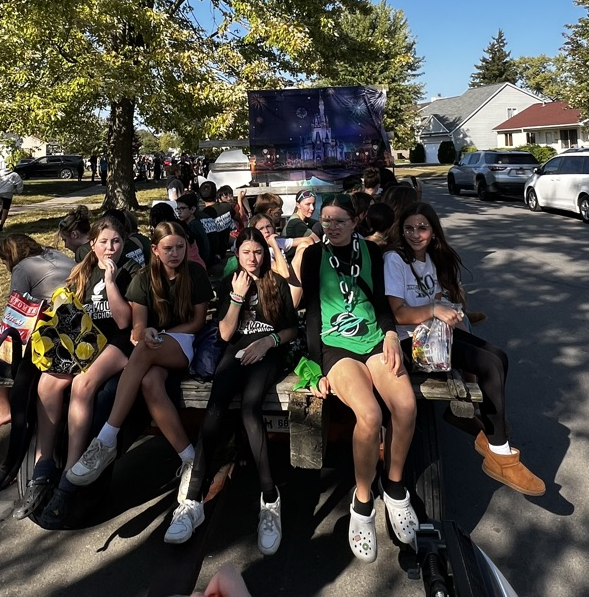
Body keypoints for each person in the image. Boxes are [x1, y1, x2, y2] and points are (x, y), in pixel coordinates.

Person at [383, 201, 545, 496]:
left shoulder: (431, 259)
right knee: (489, 365)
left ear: (433, 232)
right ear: (401, 230)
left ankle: (480, 427)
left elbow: (436, 299)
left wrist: (448, 310)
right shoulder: (395, 260)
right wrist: (434, 309)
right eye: (409, 228)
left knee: (498, 356)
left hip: (434, 336)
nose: (415, 234)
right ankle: (500, 454)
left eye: (422, 228)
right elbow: (399, 313)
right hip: (411, 343)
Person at [291, 193, 419, 562]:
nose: (331, 227)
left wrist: (391, 333)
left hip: (374, 338)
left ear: (355, 221)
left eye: (339, 221)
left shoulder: (372, 252)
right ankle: (362, 501)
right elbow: (311, 312)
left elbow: (380, 301)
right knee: (370, 415)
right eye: (326, 220)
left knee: (406, 406)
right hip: (335, 344)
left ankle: (394, 487)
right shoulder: (315, 255)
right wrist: (315, 366)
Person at [165, 227, 297, 554]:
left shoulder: (276, 282)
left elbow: (291, 329)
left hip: (268, 351)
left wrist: (268, 342)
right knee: (215, 408)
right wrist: (237, 297)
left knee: (251, 408)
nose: (253, 258)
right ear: (237, 254)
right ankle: (192, 501)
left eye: (258, 252)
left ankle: (270, 499)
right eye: (246, 252)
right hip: (236, 350)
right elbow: (225, 334)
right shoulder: (230, 282)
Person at [66, 220, 214, 487]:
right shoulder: (144, 278)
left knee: (145, 348)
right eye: (168, 248)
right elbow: (137, 327)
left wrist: (159, 335)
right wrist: (146, 332)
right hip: (153, 347)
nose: (175, 254)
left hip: (185, 341)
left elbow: (197, 322)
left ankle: (107, 438)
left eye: (180, 247)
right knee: (150, 382)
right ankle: (190, 459)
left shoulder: (195, 273)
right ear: (155, 249)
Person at [17, 216, 135, 525]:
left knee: (83, 384)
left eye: (116, 242)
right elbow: (70, 311)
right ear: (92, 244)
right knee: (47, 383)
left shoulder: (131, 271)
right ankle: (42, 467)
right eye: (104, 242)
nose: (110, 248)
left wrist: (111, 282)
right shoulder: (81, 271)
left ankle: (70, 474)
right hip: (86, 340)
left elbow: (124, 322)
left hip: (119, 342)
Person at [0, 234, 76, 432]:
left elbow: (15, 311)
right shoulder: (55, 254)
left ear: (10, 257)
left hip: (52, 331)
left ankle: (3, 408)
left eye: (4, 262)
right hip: (77, 319)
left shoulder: (22, 268)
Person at [175, 192, 211, 266]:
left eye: (182, 208)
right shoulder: (195, 223)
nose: (179, 212)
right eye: (177, 209)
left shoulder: (193, 226)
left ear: (192, 209)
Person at [281, 190, 317, 261]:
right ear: (298, 205)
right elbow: (317, 242)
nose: (312, 208)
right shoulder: (296, 223)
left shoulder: (305, 220)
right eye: (308, 204)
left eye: (314, 204)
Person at [0, 163, 24, 233]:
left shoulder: (0, 173)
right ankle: (0, 227)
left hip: (0, 192)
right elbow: (20, 182)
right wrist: (18, 191)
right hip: (8, 193)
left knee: (4, 202)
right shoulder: (14, 174)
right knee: (6, 209)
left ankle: (1, 213)